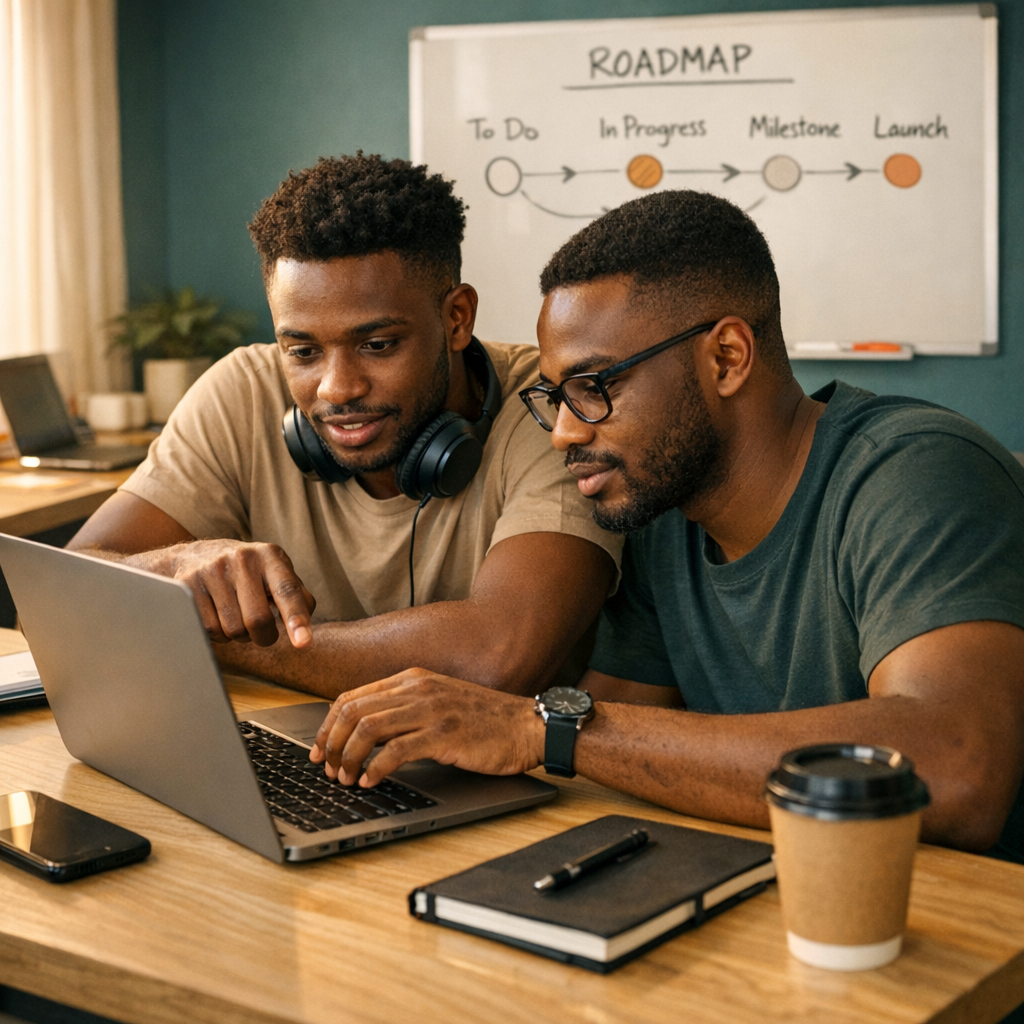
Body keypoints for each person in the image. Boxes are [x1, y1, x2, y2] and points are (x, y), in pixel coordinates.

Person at [307, 189, 1024, 862]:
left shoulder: (916, 473)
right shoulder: (663, 516)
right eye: (555, 397)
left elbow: (957, 768)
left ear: (727, 357)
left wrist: (538, 725)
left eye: (595, 387)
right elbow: (609, 742)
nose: (561, 433)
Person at [68, 154, 621, 698]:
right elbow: (63, 588)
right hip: (303, 753)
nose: (337, 388)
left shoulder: (555, 408)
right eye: (303, 351)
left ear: (456, 318)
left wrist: (193, 627)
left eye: (377, 345)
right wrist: (169, 563)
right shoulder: (241, 388)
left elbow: (494, 659)